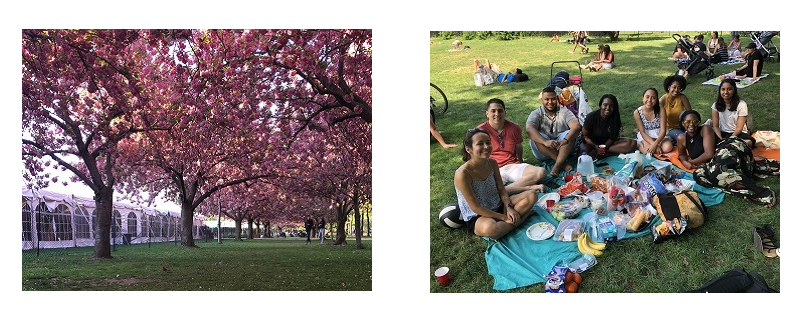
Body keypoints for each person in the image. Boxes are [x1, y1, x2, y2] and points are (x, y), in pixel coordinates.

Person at [676, 110, 778, 207]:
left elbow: (709, 154)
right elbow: (682, 155)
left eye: (695, 121)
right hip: (718, 160)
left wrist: (691, 162)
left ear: (699, 122)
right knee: (699, 176)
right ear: (682, 123)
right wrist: (685, 162)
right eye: (687, 121)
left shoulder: (705, 129)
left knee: (718, 172)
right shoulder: (681, 138)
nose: (691, 124)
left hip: (729, 147)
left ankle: (761, 192)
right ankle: (746, 189)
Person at [454, 128, 538, 241]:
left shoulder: (492, 163)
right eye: (480, 144)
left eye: (488, 142)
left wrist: (509, 208)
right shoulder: (463, 173)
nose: (486, 146)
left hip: (499, 205)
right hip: (479, 215)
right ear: (468, 149)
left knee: (532, 195)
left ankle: (506, 227)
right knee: (491, 229)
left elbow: (501, 189)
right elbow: (476, 208)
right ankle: (522, 218)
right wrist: (504, 218)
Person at [476, 98, 546, 194]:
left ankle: (505, 191)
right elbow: (476, 154)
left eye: (500, 111)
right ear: (487, 113)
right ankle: (526, 187)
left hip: (512, 166)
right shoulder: (480, 131)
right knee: (483, 190)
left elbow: (518, 146)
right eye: (493, 111)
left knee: (541, 172)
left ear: (505, 113)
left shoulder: (514, 128)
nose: (497, 114)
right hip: (493, 169)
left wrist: (520, 161)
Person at [526, 86, 581, 177]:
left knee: (570, 134)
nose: (550, 102)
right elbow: (529, 129)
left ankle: (557, 165)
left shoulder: (564, 111)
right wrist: (545, 141)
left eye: (553, 99)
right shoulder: (536, 113)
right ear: (542, 100)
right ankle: (562, 163)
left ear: (557, 99)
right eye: (547, 99)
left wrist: (565, 140)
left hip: (563, 147)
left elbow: (576, 126)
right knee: (536, 137)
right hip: (543, 151)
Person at [580, 94, 636, 159]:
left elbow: (613, 137)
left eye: (611, 106)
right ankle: (607, 153)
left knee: (632, 143)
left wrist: (604, 148)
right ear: (600, 105)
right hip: (592, 144)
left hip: (607, 144)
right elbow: (584, 136)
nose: (608, 108)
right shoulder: (591, 117)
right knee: (583, 156)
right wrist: (595, 146)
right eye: (605, 105)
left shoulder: (615, 118)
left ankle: (601, 153)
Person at [711, 79, 755, 147]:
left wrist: (730, 139)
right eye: (723, 89)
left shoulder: (741, 105)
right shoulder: (715, 105)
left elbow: (739, 128)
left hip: (738, 134)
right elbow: (715, 126)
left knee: (750, 141)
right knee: (708, 140)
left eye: (729, 89)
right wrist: (720, 138)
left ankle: (731, 145)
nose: (726, 92)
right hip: (722, 133)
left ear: (734, 90)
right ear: (720, 91)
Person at [634, 88, 673, 156]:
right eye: (647, 97)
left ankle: (653, 144)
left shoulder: (661, 110)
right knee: (647, 151)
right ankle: (638, 144)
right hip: (646, 135)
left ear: (656, 100)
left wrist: (655, 144)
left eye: (653, 98)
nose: (649, 100)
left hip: (659, 134)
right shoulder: (637, 112)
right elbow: (642, 132)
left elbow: (663, 130)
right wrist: (655, 145)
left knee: (667, 148)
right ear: (643, 98)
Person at [659, 75, 693, 145]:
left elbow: (690, 113)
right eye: (674, 87)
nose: (676, 90)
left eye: (679, 88)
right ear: (669, 87)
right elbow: (653, 113)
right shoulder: (663, 99)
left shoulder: (682, 97)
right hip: (671, 128)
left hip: (684, 125)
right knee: (685, 139)